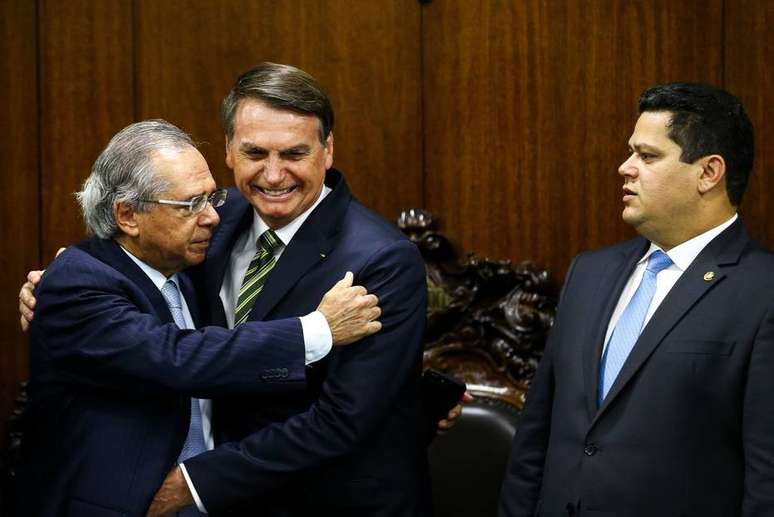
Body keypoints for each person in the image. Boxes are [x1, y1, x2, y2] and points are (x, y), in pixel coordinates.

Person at [19, 63, 462, 516]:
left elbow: (343, 419)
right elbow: (142, 285)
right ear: (228, 150)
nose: (273, 176)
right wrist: (51, 286)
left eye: (293, 154)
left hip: (328, 501)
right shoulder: (215, 221)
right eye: (254, 153)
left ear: (327, 150)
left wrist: (195, 482)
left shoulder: (382, 258)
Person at [499, 82, 774, 517]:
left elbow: (767, 480)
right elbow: (537, 434)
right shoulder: (588, 273)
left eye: (647, 156)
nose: (625, 168)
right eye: (632, 153)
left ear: (709, 172)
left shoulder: (762, 292)